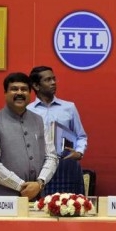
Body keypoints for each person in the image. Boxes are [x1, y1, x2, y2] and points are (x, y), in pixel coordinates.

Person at [0, 72, 58, 200]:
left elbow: (51, 156)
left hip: (36, 200)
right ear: (5, 93)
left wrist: (39, 183)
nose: (20, 93)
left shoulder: (40, 121)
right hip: (3, 203)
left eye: (24, 89)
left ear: (30, 94)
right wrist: (22, 186)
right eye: (14, 89)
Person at [27, 66, 88, 195]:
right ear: (36, 86)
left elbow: (81, 136)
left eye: (54, 79)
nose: (53, 82)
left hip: (65, 166)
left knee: (70, 207)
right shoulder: (28, 111)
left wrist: (79, 152)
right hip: (39, 168)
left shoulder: (69, 107)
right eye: (48, 80)